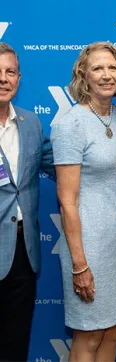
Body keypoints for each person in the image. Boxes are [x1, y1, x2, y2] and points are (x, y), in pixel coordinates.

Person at [50, 42, 116, 362]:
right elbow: (66, 201)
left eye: (113, 67)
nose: (106, 74)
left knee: (114, 329)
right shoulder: (71, 123)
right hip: (87, 247)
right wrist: (79, 264)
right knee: (90, 334)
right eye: (98, 68)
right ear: (83, 75)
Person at [0, 42, 55, 362]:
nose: (4, 79)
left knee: (16, 340)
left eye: (10, 72)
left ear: (19, 78)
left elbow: (58, 166)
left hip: (23, 251)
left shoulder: (31, 123)